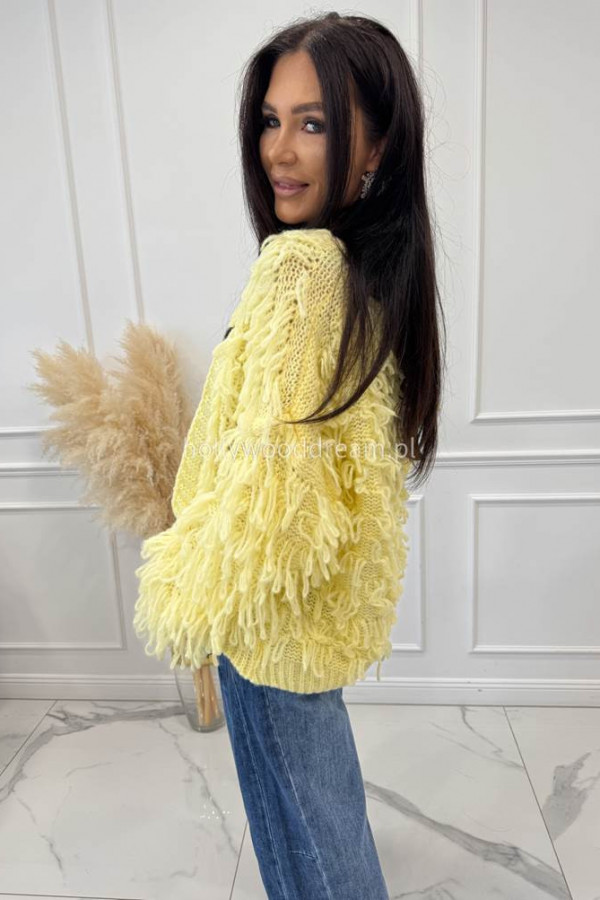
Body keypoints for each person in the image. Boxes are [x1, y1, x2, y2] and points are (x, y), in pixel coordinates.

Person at [134, 11, 445, 899]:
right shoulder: (364, 270)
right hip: (301, 611)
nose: (280, 149)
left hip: (263, 611)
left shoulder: (303, 270)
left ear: (375, 147)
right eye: (272, 120)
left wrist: (191, 588)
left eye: (314, 123)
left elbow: (277, 479)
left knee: (310, 839)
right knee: (312, 819)